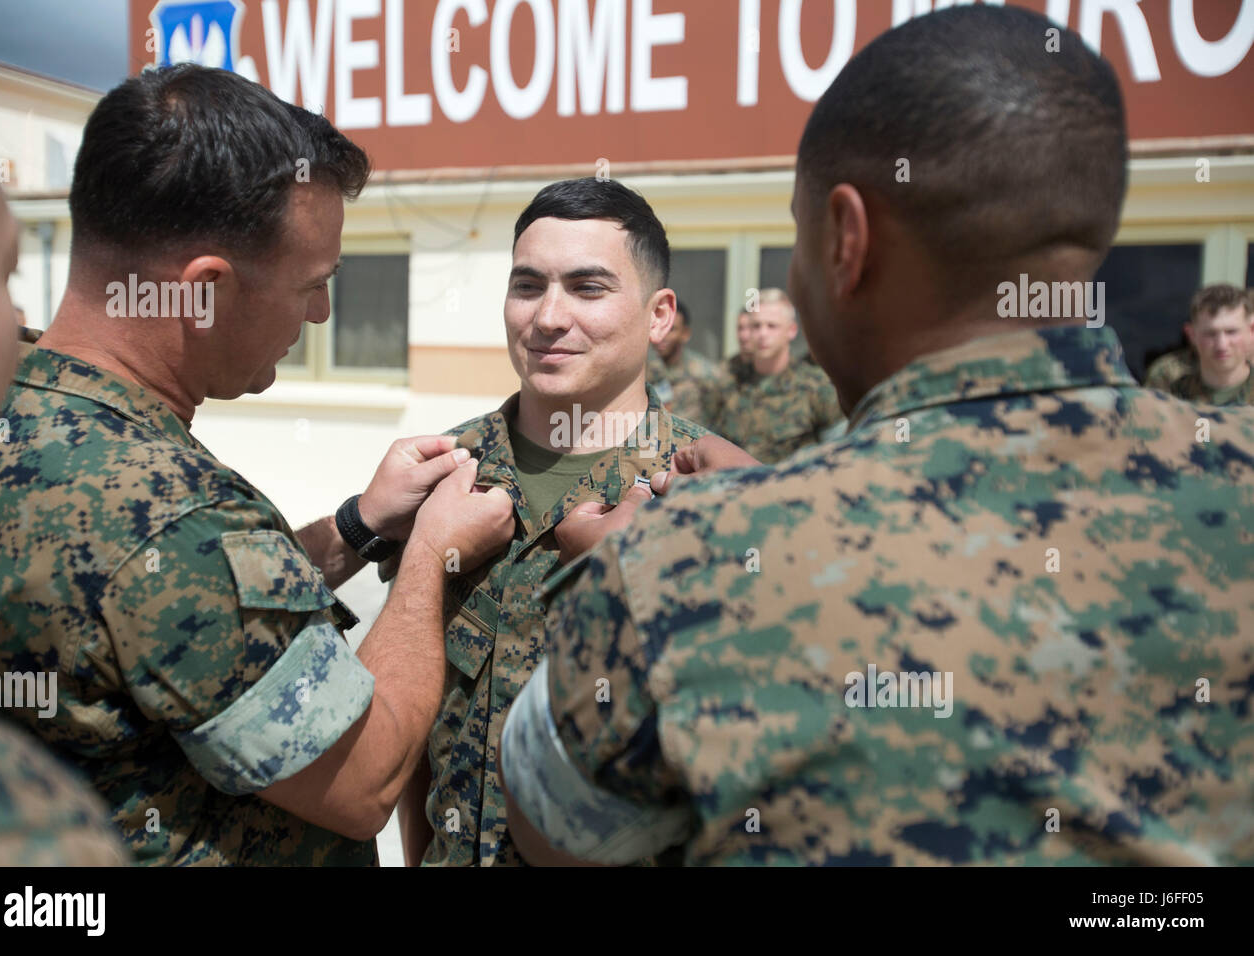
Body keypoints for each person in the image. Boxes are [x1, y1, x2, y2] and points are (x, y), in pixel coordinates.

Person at [499, 5, 1254, 866]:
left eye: (794, 230)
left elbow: (548, 834)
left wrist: (661, 563)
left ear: (846, 241)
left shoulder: (680, 566)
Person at [0, 65, 514, 866]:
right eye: (312, 285)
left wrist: (357, 525)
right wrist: (429, 556)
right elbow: (362, 779)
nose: (319, 313)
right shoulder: (173, 515)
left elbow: (182, 620)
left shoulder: (0, 406)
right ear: (204, 292)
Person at [391, 178, 707, 867]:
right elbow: (413, 730)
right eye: (527, 286)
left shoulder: (700, 492)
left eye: (588, 288)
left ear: (659, 316)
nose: (548, 317)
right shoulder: (446, 475)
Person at [0, 75, 127, 866]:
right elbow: (357, 780)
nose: (22, 327)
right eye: (5, 274)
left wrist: (351, 528)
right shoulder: (16, 826)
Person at [713, 288, 844, 463]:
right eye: (756, 326)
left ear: (791, 330)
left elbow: (837, 456)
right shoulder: (728, 382)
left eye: (772, 326)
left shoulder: (817, 386)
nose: (762, 334)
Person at [1167, 284, 1254, 405]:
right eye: (1210, 334)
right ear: (1192, 335)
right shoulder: (1170, 396)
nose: (1222, 345)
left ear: (1251, 331)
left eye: (1231, 332)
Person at [646, 296, 720, 426]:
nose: (663, 336)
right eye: (658, 328)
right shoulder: (644, 372)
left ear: (685, 334)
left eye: (671, 330)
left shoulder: (705, 374)